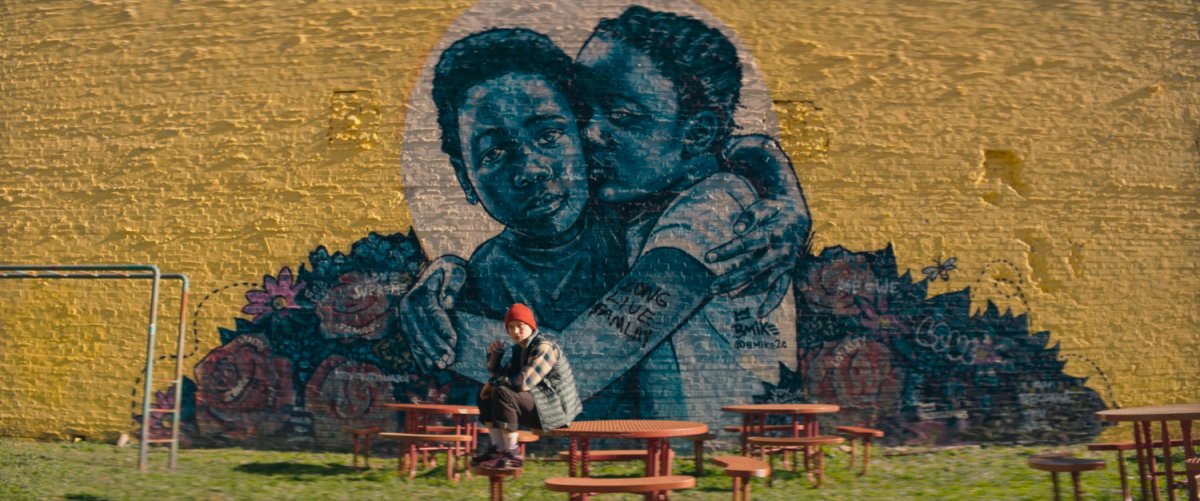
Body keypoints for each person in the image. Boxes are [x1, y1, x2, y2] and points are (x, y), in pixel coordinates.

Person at [401, 21, 808, 424]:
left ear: (698, 133)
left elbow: (573, 368)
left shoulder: (712, 212)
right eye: (584, 111)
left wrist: (439, 327)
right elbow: (740, 146)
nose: (591, 133)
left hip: (706, 453)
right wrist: (447, 270)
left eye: (620, 114)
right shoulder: (638, 205)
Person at [472, 303, 581, 469]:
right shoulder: (520, 350)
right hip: (540, 405)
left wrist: (494, 383)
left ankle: (512, 455)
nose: (515, 331)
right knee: (485, 393)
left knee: (501, 392)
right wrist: (494, 358)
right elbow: (503, 378)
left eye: (520, 326)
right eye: (511, 327)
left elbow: (521, 383)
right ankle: (498, 450)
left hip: (556, 411)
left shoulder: (544, 347)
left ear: (531, 326)